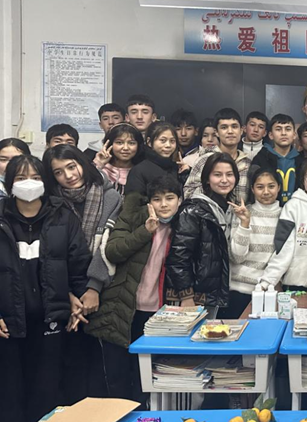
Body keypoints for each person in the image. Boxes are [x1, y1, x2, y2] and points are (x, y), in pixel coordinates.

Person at [0, 155, 91, 422]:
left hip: (51, 319)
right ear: (9, 182)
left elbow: (78, 264)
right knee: (10, 396)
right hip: (8, 324)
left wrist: (77, 297)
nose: (29, 183)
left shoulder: (63, 216)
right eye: (21, 178)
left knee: (48, 393)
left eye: (36, 177)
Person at [86, 175, 182, 404]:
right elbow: (112, 251)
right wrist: (145, 231)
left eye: (170, 198)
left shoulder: (184, 225)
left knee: (147, 377)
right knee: (117, 375)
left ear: (179, 200)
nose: (164, 204)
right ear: (149, 202)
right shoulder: (132, 216)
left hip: (158, 313)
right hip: (122, 305)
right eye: (157, 199)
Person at [43, 144, 123, 403]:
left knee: (100, 369)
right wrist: (67, 293)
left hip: (101, 289)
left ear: (83, 164)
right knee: (68, 370)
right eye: (58, 172)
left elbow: (106, 245)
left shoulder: (110, 196)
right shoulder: (50, 203)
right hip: (61, 292)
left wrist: (92, 288)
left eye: (71, 166)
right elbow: (50, 253)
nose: (68, 175)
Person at [166, 153, 237, 317]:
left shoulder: (230, 209)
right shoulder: (193, 210)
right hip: (194, 296)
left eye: (229, 174)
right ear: (207, 179)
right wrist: (186, 296)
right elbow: (178, 257)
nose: (224, 180)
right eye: (217, 175)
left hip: (215, 294)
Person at [260, 158, 307, 291]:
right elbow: (284, 247)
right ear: (302, 180)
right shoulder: (292, 206)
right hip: (293, 282)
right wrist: (268, 280)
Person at [223, 169, 282, 318]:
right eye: (260, 187)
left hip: (268, 292)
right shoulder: (243, 213)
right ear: (252, 189)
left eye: (271, 186)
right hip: (238, 291)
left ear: (279, 188)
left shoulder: (286, 215)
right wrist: (245, 223)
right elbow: (237, 257)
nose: (266, 192)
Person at [184, 108, 252, 203]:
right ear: (216, 132)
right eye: (224, 127)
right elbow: (188, 193)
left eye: (234, 126)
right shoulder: (204, 160)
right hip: (209, 211)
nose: (230, 131)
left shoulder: (248, 163)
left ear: (241, 131)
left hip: (240, 212)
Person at [252, 114, 305, 205]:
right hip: (268, 209)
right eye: (278, 129)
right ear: (271, 135)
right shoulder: (261, 159)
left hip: (296, 209)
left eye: (288, 129)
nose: (283, 133)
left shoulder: (301, 160)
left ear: (294, 135)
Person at [124, 121, 187, 197]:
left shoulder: (177, 168)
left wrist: (186, 174)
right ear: (149, 142)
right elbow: (133, 202)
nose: (168, 145)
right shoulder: (139, 170)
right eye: (163, 140)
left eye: (172, 141)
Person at [93, 123, 146, 196]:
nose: (125, 148)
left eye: (131, 143)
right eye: (119, 143)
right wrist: (98, 164)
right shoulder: (102, 169)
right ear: (109, 144)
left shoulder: (142, 171)